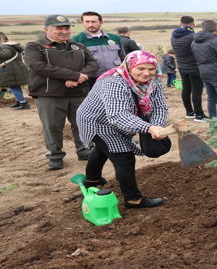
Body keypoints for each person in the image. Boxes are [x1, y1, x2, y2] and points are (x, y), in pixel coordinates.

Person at [77, 50, 167, 209]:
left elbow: (159, 106)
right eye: (141, 68)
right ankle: (133, 200)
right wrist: (148, 127)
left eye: (151, 69)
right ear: (129, 66)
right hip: (98, 121)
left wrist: (157, 126)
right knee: (123, 157)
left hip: (122, 119)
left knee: (102, 149)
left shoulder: (154, 82)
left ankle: (92, 179)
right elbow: (117, 116)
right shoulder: (114, 82)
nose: (147, 73)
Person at [24, 14, 99, 170]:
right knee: (52, 126)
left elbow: (92, 64)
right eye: (59, 28)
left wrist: (79, 78)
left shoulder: (77, 46)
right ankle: (55, 155)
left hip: (79, 93)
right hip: (50, 94)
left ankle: (85, 150)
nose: (64, 31)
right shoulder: (35, 46)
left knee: (82, 123)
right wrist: (73, 75)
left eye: (66, 28)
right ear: (46, 29)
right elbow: (39, 67)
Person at [71, 11, 122, 87]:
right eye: (87, 22)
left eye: (94, 21)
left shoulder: (115, 38)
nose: (90, 24)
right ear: (82, 23)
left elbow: (123, 57)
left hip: (116, 78)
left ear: (101, 22)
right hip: (91, 80)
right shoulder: (76, 40)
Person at [171, 16, 206, 122]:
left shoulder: (173, 36)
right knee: (196, 90)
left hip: (182, 66)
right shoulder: (193, 36)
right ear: (193, 25)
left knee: (186, 89)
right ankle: (199, 115)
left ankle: (189, 112)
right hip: (194, 66)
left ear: (180, 24)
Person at [0, 32, 30, 110]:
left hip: (12, 70)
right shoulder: (10, 45)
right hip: (15, 69)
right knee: (16, 86)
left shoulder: (5, 47)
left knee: (13, 86)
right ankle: (19, 101)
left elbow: (6, 55)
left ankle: (23, 103)